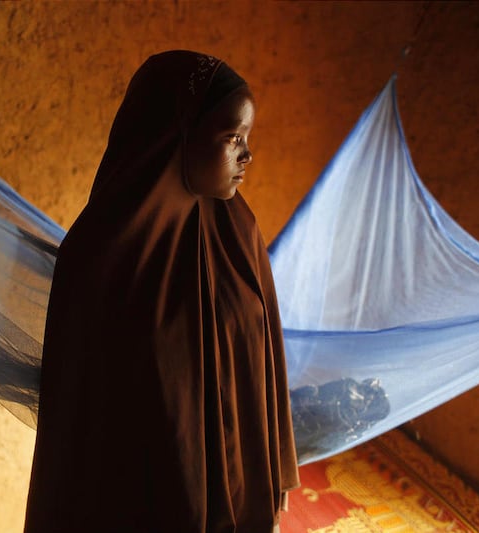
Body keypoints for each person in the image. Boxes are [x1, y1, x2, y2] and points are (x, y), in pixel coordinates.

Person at [24, 50, 299, 533]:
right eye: (233, 138)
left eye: (247, 139)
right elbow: (82, 432)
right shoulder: (101, 261)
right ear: (177, 136)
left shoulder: (238, 231)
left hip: (238, 488)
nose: (247, 156)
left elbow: (265, 353)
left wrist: (271, 473)